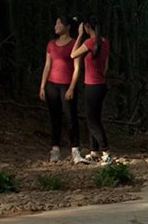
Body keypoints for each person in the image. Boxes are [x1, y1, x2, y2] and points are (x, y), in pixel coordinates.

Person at [39, 15, 89, 164]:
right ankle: (55, 149)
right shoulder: (51, 44)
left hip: (66, 85)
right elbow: (47, 66)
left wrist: (72, 87)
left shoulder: (74, 44)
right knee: (55, 118)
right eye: (56, 23)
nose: (56, 26)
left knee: (71, 118)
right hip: (51, 85)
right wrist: (42, 85)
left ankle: (75, 150)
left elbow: (77, 67)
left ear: (67, 27)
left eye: (59, 23)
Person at [71, 15, 113, 165]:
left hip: (92, 86)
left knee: (93, 120)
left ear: (87, 26)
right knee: (94, 118)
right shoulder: (105, 42)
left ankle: (106, 151)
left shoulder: (89, 42)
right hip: (101, 84)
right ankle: (94, 151)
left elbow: (73, 54)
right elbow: (106, 66)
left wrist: (80, 35)